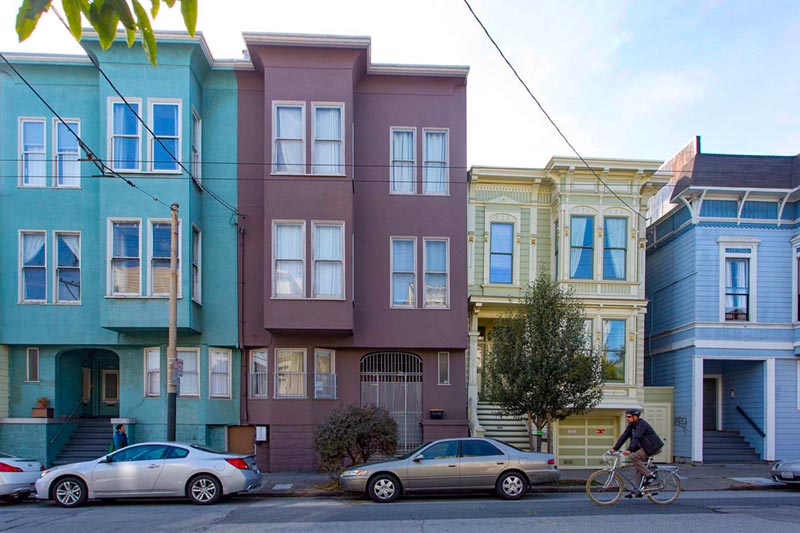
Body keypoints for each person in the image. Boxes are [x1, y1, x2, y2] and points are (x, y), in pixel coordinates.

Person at [609, 409, 664, 498]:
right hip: (645, 447)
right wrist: (615, 448)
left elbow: (636, 437)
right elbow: (624, 436)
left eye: (629, 417)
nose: (627, 418)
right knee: (639, 468)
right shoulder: (631, 425)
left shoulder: (641, 424)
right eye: (627, 417)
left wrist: (630, 449)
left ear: (636, 417)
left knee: (634, 457)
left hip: (652, 447)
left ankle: (650, 476)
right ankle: (637, 491)